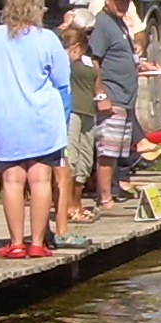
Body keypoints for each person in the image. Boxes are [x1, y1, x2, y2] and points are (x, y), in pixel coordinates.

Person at [0, 0, 71, 259]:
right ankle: (38, 242)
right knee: (40, 180)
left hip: (7, 118)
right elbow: (62, 80)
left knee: (12, 181)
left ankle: (16, 242)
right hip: (41, 117)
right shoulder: (47, 39)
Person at [87, 0, 141, 210]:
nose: (124, 5)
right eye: (119, 0)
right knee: (107, 151)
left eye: (127, 0)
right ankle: (105, 196)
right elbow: (93, 61)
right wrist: (101, 94)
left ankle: (114, 188)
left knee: (119, 150)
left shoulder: (119, 23)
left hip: (125, 97)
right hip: (112, 94)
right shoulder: (102, 23)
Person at [57, 19, 100, 232]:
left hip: (88, 111)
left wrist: (101, 96)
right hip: (71, 111)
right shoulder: (62, 62)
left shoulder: (89, 62)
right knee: (70, 157)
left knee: (85, 159)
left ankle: (77, 200)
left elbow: (96, 81)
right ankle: (67, 205)